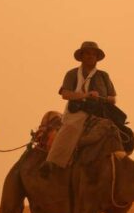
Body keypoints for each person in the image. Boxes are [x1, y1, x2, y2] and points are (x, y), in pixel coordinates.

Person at [40, 41, 116, 177]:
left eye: (93, 54)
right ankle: (52, 161)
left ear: (97, 57)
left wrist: (100, 98)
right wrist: (85, 95)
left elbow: (113, 99)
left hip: (101, 112)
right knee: (71, 127)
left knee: (121, 132)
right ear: (81, 56)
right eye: (87, 53)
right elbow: (65, 94)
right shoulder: (72, 74)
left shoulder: (103, 76)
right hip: (78, 111)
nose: (90, 56)